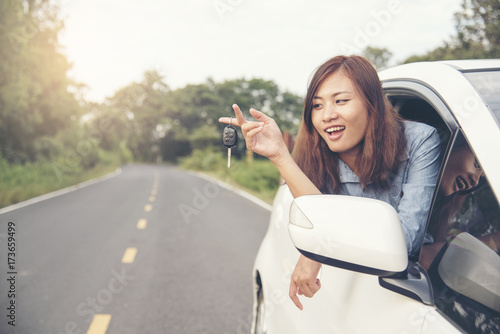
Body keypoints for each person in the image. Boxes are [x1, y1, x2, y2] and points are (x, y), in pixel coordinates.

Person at [219, 55, 441, 310]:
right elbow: (319, 220)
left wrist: (320, 250)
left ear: (373, 104)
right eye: (317, 105)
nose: (327, 115)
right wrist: (279, 154)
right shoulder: (313, 157)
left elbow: (403, 243)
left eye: (341, 101)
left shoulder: (419, 141)